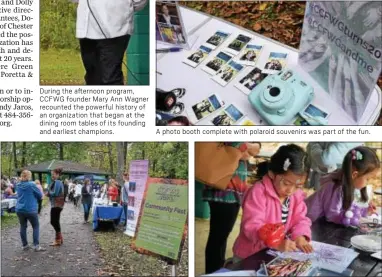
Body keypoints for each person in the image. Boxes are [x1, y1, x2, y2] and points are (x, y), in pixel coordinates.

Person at [233, 144, 313, 263]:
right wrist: (276, 242)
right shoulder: (258, 192)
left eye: (298, 186)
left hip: (274, 255)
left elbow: (300, 219)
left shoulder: (296, 195)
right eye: (286, 183)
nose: (290, 190)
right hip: (250, 256)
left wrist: (300, 236)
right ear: (272, 174)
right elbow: (252, 225)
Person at [203, 142, 262, 274]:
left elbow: (253, 149)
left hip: (230, 190)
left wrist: (251, 147)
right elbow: (242, 150)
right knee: (218, 239)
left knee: (220, 238)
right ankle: (213, 272)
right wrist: (248, 148)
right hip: (224, 190)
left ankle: (216, 271)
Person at [76, 0, 148, 85]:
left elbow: (139, 2)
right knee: (92, 77)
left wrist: (124, 7)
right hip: (87, 28)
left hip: (115, 27)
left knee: (110, 78)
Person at [305, 146, 380, 225]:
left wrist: (365, 211)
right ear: (354, 175)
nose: (368, 183)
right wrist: (349, 217)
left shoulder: (347, 185)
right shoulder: (335, 188)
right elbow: (332, 216)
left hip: (319, 223)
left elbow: (349, 207)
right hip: (307, 222)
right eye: (367, 179)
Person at [15, 170, 45, 251]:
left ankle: (25, 245)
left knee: (23, 226)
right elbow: (40, 195)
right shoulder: (32, 184)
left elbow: (18, 194)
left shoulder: (18, 185)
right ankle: (36, 246)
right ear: (29, 176)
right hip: (30, 209)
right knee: (35, 226)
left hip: (19, 209)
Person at [47, 168, 65, 246]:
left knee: (53, 221)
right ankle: (59, 239)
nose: (52, 176)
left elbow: (55, 193)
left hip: (57, 204)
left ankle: (58, 239)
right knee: (55, 221)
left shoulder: (58, 182)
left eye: (53, 174)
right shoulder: (55, 182)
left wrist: (48, 193)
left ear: (57, 175)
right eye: (51, 175)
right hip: (56, 204)